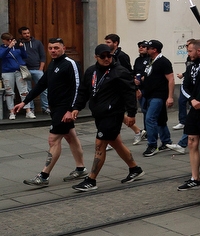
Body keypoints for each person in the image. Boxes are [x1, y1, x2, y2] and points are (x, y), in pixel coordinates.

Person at [69, 44, 144, 191]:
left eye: (109, 56)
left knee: (100, 144)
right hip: (99, 114)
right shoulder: (91, 71)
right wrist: (76, 107)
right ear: (96, 57)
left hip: (113, 114)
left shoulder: (120, 71)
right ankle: (135, 169)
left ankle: (91, 179)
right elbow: (83, 91)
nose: (106, 59)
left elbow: (129, 93)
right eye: (102, 56)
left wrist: (131, 113)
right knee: (116, 143)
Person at [18, 38, 88, 185]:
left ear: (63, 47)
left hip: (64, 109)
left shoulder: (70, 64)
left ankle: (43, 176)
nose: (53, 51)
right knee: (70, 137)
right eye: (50, 48)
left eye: (56, 48)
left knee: (53, 140)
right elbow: (41, 85)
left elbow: (78, 88)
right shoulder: (53, 64)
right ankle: (81, 169)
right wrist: (24, 102)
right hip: (55, 108)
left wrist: (71, 110)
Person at [137, 40, 181, 157]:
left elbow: (171, 79)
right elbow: (149, 76)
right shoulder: (150, 61)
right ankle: (166, 141)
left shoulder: (163, 62)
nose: (146, 49)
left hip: (159, 95)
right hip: (149, 94)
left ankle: (152, 145)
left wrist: (170, 97)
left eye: (148, 47)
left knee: (150, 119)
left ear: (154, 50)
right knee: (160, 119)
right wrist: (140, 81)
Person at [177, 39, 200, 190]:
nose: (188, 54)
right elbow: (184, 86)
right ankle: (195, 178)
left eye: (190, 51)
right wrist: (192, 99)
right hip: (195, 109)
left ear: (199, 51)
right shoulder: (190, 66)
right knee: (191, 141)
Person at [18, 26, 47, 116]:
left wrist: (41, 68)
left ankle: (45, 108)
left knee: (44, 89)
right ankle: (31, 109)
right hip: (25, 70)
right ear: (21, 34)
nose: (27, 35)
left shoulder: (37, 43)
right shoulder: (19, 44)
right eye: (24, 33)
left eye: (28, 33)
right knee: (28, 90)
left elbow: (43, 56)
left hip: (37, 69)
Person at [1, 33, 29, 119]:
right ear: (3, 40)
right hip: (7, 72)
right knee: (9, 92)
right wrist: (9, 48)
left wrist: (21, 47)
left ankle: (28, 111)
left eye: (11, 39)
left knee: (24, 91)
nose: (10, 41)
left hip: (19, 72)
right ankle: (11, 112)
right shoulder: (1, 48)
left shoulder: (16, 48)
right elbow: (1, 56)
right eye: (8, 40)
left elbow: (25, 56)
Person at [131, 41, 151, 145]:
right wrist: (134, 79)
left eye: (143, 47)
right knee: (144, 109)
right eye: (140, 47)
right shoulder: (138, 59)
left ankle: (150, 131)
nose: (141, 48)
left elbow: (148, 72)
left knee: (148, 110)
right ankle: (146, 130)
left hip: (147, 87)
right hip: (139, 87)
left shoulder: (149, 59)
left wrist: (143, 78)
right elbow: (134, 71)